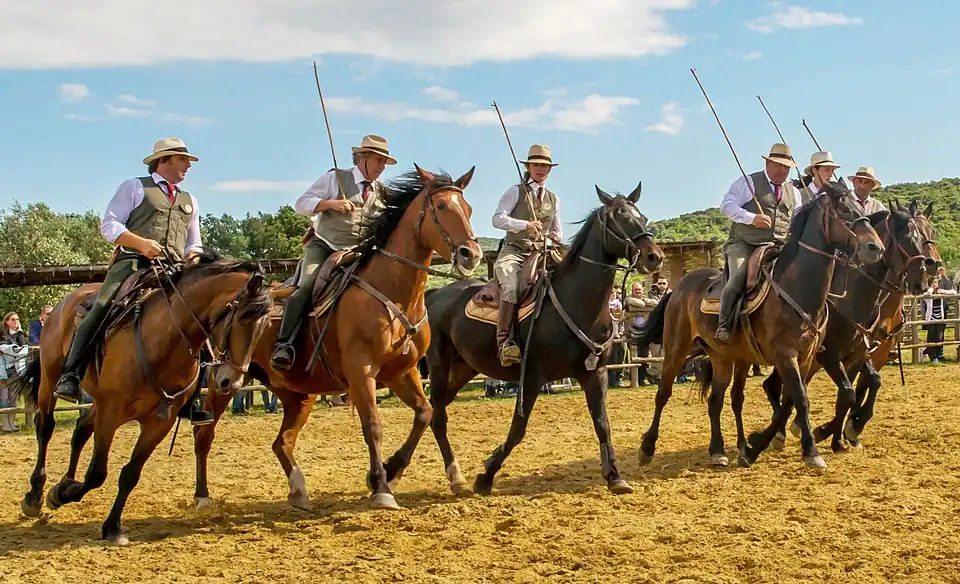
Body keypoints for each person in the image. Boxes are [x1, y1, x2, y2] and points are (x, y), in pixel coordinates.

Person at [53, 138, 213, 425]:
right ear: (164, 160)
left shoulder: (190, 200)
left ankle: (190, 396)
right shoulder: (135, 187)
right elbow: (110, 225)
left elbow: (194, 242)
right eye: (183, 160)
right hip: (132, 263)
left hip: (173, 269)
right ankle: (71, 374)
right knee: (103, 305)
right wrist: (141, 244)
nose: (188, 166)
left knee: (198, 318)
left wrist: (193, 256)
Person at [270, 134, 396, 370]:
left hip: (358, 252)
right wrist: (330, 204)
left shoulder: (381, 192)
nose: (381, 167)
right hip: (324, 246)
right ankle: (284, 345)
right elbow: (301, 204)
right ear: (362, 158)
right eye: (378, 160)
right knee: (307, 285)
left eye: (384, 162)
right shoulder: (336, 178)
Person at [716, 143, 802, 343]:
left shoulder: (794, 192)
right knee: (738, 275)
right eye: (778, 165)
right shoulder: (749, 183)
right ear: (767, 163)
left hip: (777, 246)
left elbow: (798, 216)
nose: (783, 170)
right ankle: (724, 324)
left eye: (786, 167)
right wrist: (751, 218)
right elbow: (726, 205)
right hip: (744, 243)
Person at [491, 144, 563, 366]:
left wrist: (554, 236)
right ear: (528, 167)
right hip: (514, 251)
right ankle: (505, 342)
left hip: (542, 253)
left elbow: (558, 230)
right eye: (536, 165)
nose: (540, 169)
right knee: (511, 286)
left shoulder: (554, 198)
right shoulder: (515, 191)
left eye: (544, 166)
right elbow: (497, 219)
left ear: (550, 169)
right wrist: (524, 225)